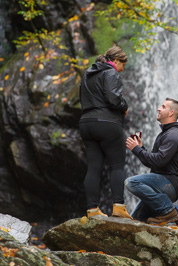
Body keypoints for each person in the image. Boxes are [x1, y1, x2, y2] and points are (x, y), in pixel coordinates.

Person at [79, 45, 132, 219]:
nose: (122, 69)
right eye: (122, 64)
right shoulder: (111, 73)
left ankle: (92, 210)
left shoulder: (88, 73)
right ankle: (118, 207)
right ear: (116, 61)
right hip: (107, 123)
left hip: (86, 123)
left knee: (93, 167)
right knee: (116, 165)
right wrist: (124, 106)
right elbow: (113, 98)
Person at [125, 98, 178, 229]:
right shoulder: (165, 133)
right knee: (136, 220)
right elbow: (154, 162)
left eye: (163, 107)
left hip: (169, 183)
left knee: (131, 182)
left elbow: (159, 161)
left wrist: (137, 149)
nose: (158, 109)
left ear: (171, 113)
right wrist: (141, 149)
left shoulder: (173, 135)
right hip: (161, 183)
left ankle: (174, 211)